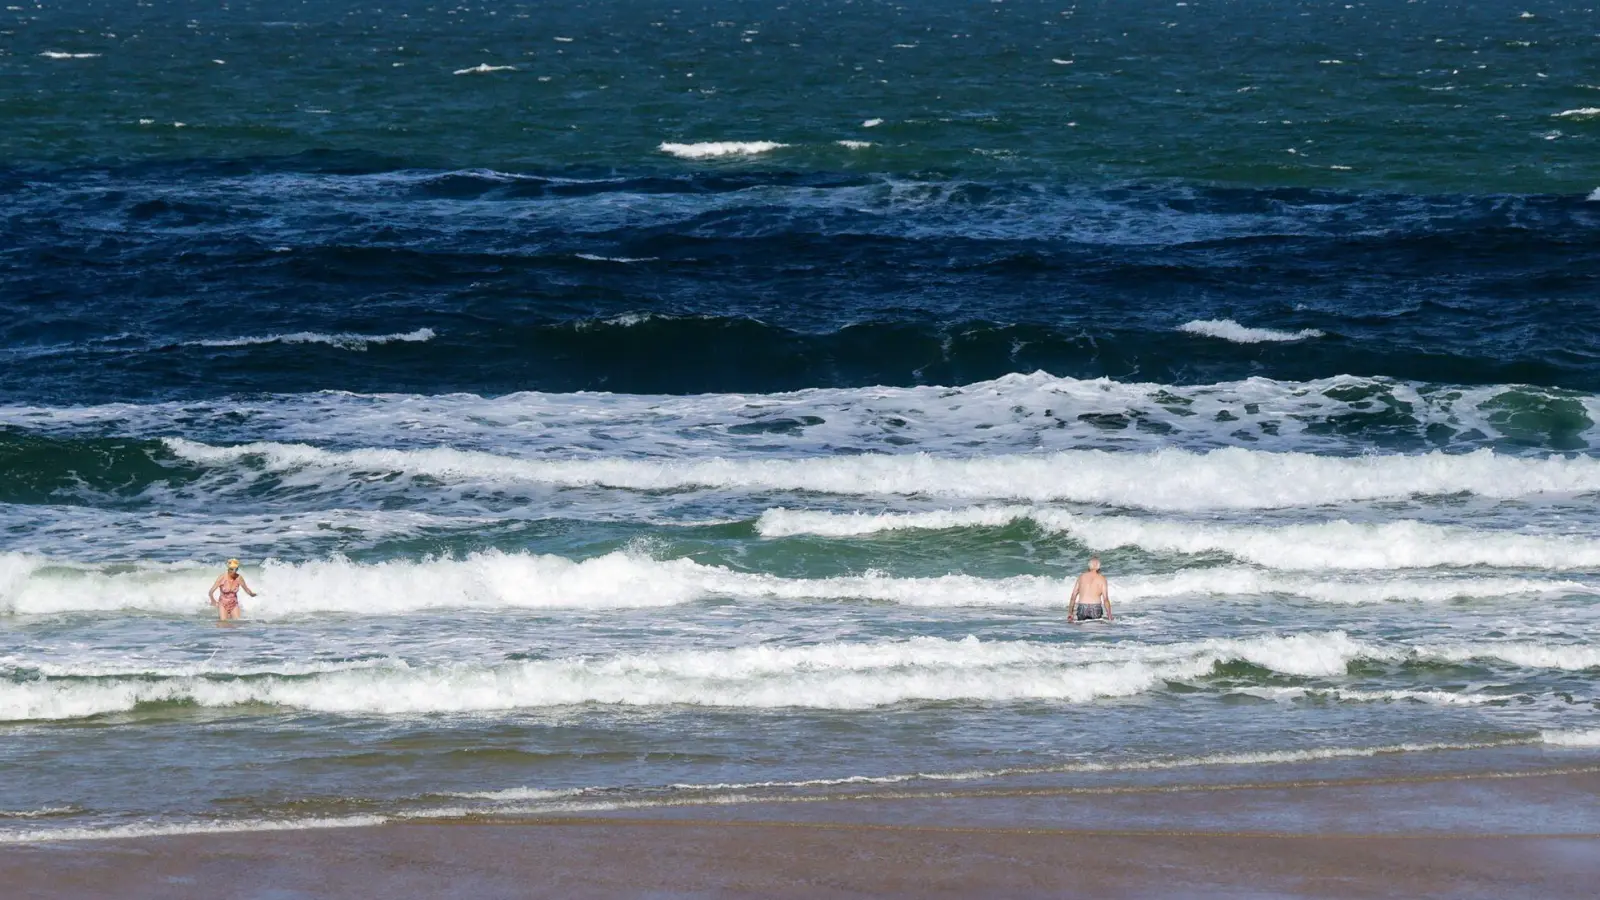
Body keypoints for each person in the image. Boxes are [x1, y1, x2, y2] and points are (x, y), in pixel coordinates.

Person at [1068, 556, 1112, 623]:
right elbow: (1105, 599)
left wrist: (1070, 613)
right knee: (1096, 630)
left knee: (1082, 630)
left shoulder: (1081, 577)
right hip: (1095, 607)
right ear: (1098, 567)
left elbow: (1073, 596)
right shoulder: (1102, 579)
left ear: (1089, 566)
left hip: (1082, 607)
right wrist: (1109, 615)